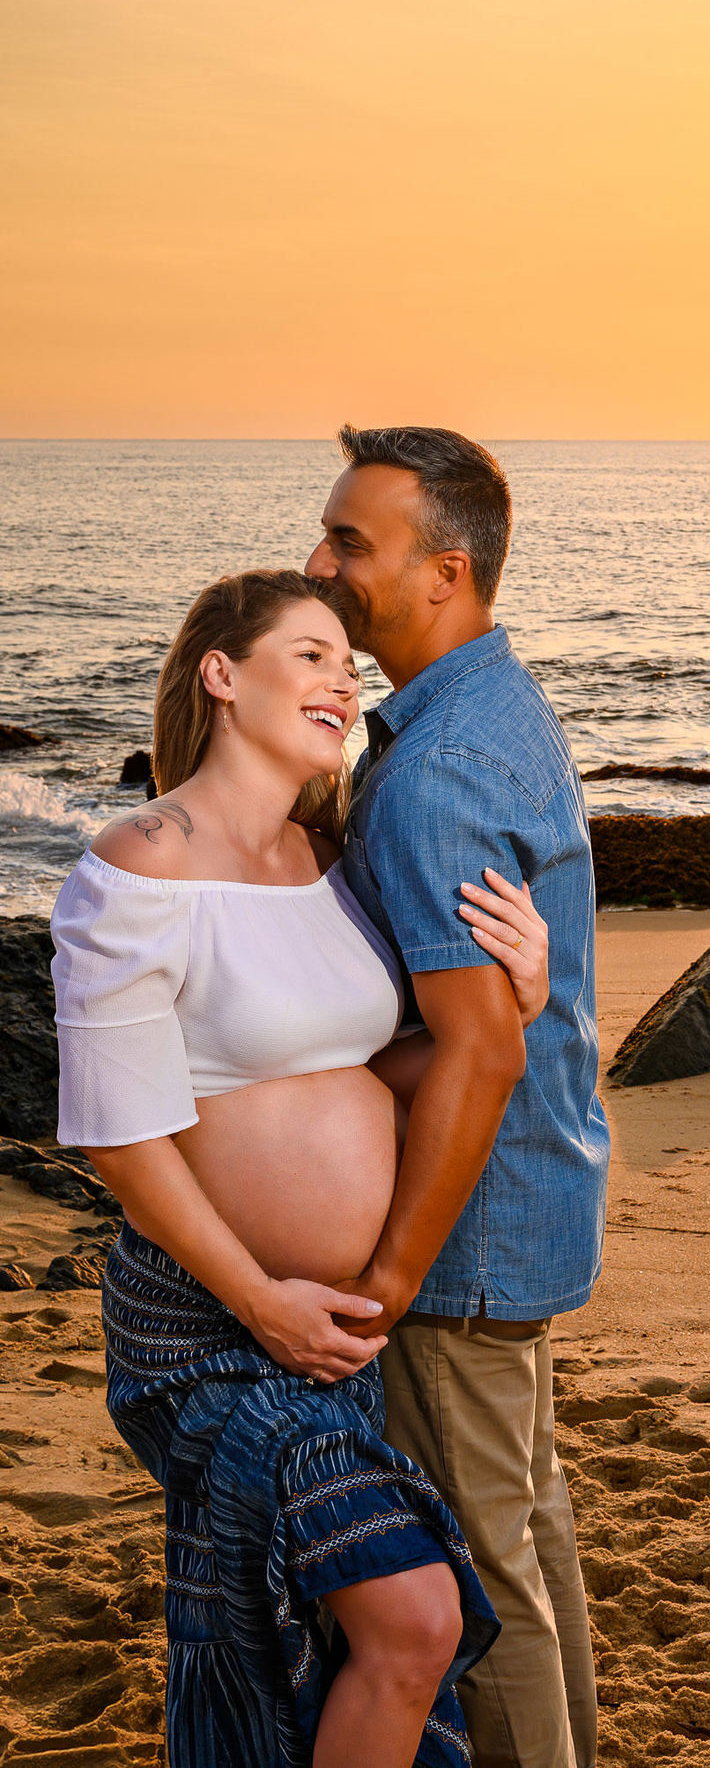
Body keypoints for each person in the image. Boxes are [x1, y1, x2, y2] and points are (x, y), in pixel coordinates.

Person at [50, 568, 552, 1768]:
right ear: (223, 675)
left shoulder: (329, 857)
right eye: (311, 656)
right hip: (211, 1327)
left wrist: (512, 1005)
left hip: (325, 1332)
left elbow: (378, 1075)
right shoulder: (137, 865)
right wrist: (257, 1299)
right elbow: (122, 1137)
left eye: (349, 664)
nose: (343, 683)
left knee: (320, 1642)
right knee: (414, 1613)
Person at [305, 425, 610, 1768]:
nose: (320, 565)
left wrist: (389, 1277)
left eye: (350, 543)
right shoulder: (493, 708)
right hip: (537, 1195)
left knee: (490, 1586)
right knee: (529, 1527)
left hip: (468, 1237)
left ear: (444, 571)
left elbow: (477, 1051)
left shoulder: (432, 774)